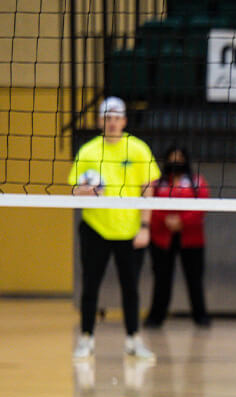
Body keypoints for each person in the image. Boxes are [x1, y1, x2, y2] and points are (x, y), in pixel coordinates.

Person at [68, 96, 160, 361]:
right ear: (100, 121)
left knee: (131, 288)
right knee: (90, 286)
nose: (112, 123)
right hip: (95, 228)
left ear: (124, 121)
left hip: (130, 231)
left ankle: (133, 339)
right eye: (108, 118)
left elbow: (148, 189)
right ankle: (86, 338)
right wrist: (84, 191)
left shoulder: (138, 149)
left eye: (116, 118)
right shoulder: (88, 151)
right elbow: (74, 189)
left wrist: (145, 226)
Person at [145, 145, 211, 328]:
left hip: (191, 238)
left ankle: (200, 316)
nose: (176, 163)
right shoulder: (158, 183)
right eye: (172, 159)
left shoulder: (196, 182)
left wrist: (182, 221)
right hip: (162, 238)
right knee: (162, 279)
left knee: (194, 279)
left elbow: (202, 207)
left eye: (180, 159)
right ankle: (156, 317)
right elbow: (150, 206)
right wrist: (165, 219)